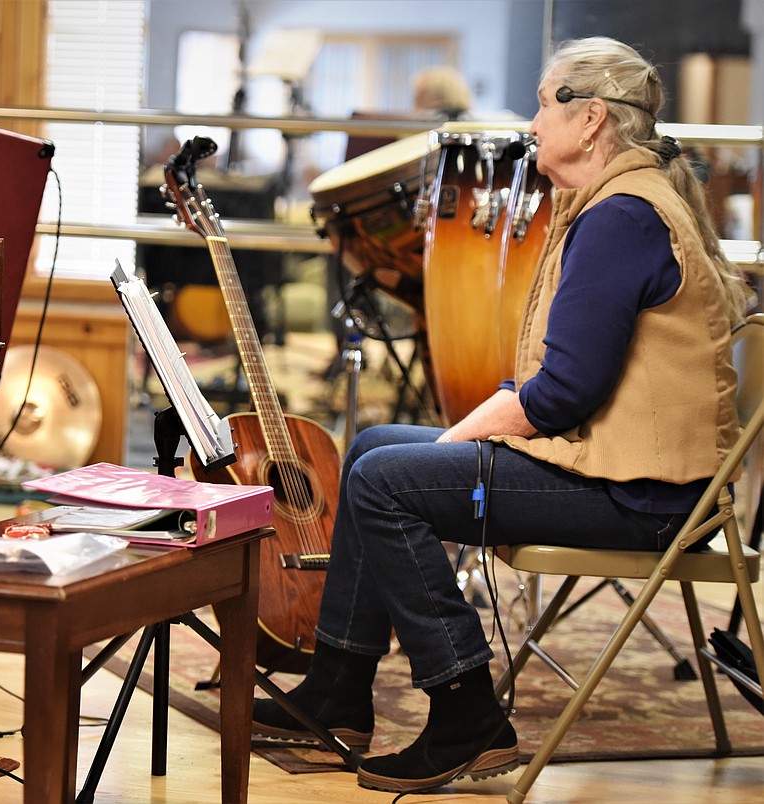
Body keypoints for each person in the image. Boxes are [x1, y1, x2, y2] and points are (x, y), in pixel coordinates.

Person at [252, 36, 749, 794]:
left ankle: (466, 710)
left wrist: (475, 427)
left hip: (646, 498)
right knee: (375, 448)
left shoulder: (623, 218)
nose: (532, 119)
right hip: (625, 471)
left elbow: (561, 397)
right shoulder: (616, 203)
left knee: (388, 480)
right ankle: (338, 690)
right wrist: (483, 424)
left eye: (546, 102)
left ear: (589, 121)